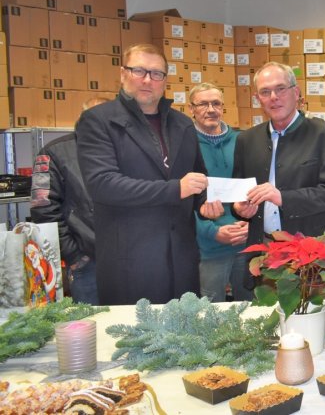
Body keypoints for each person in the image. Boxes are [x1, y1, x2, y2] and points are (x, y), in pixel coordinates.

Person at [76, 44, 208, 305]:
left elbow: (198, 178)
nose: (148, 79)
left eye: (156, 73)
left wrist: (206, 204)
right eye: (139, 71)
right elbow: (103, 184)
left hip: (181, 259)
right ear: (123, 73)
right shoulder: (98, 121)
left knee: (187, 337)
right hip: (130, 262)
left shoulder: (182, 124)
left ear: (165, 80)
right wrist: (175, 190)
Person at [224, 62, 325, 272]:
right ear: (258, 99)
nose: (273, 96)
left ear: (296, 92)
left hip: (310, 253)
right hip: (263, 251)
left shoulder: (324, 135)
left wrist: (282, 197)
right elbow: (240, 194)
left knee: (312, 306)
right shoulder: (247, 140)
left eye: (280, 88)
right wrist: (239, 209)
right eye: (265, 92)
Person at [30, 97, 109, 305]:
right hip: (87, 262)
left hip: (126, 259)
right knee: (92, 328)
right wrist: (73, 256)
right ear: (82, 118)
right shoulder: (53, 152)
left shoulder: (123, 149)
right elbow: (42, 208)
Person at [189, 83, 251, 302]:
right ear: (191, 109)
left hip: (245, 241)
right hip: (208, 246)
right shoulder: (184, 145)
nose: (210, 109)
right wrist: (211, 231)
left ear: (223, 107)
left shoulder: (242, 141)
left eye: (216, 103)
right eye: (203, 104)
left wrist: (251, 223)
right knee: (210, 310)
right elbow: (183, 200)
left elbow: (253, 185)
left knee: (250, 307)